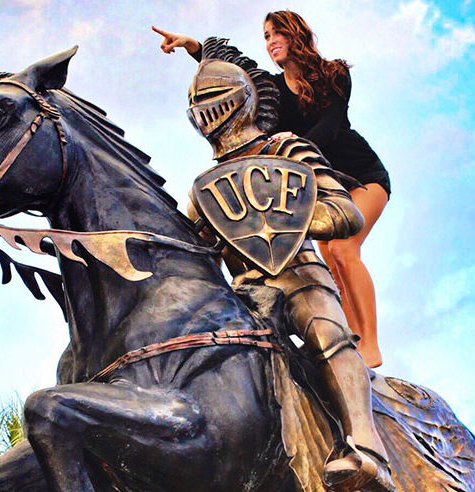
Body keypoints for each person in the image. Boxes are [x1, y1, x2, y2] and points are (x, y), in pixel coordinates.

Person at [182, 38, 395, 492]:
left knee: (328, 336)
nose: (206, 109)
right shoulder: (203, 186)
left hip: (299, 276)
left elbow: (343, 213)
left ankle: (366, 448)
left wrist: (286, 218)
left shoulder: (287, 148)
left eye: (214, 97)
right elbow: (192, 251)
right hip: (241, 294)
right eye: (199, 102)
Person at [153, 11, 390, 368]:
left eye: (278, 33)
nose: (271, 41)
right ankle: (352, 338)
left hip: (361, 176)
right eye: (266, 36)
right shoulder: (275, 90)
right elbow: (238, 70)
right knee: (330, 258)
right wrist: (194, 47)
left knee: (343, 248)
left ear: (296, 35)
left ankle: (371, 345)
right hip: (318, 185)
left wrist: (296, 145)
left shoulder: (334, 73)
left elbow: (333, 123)